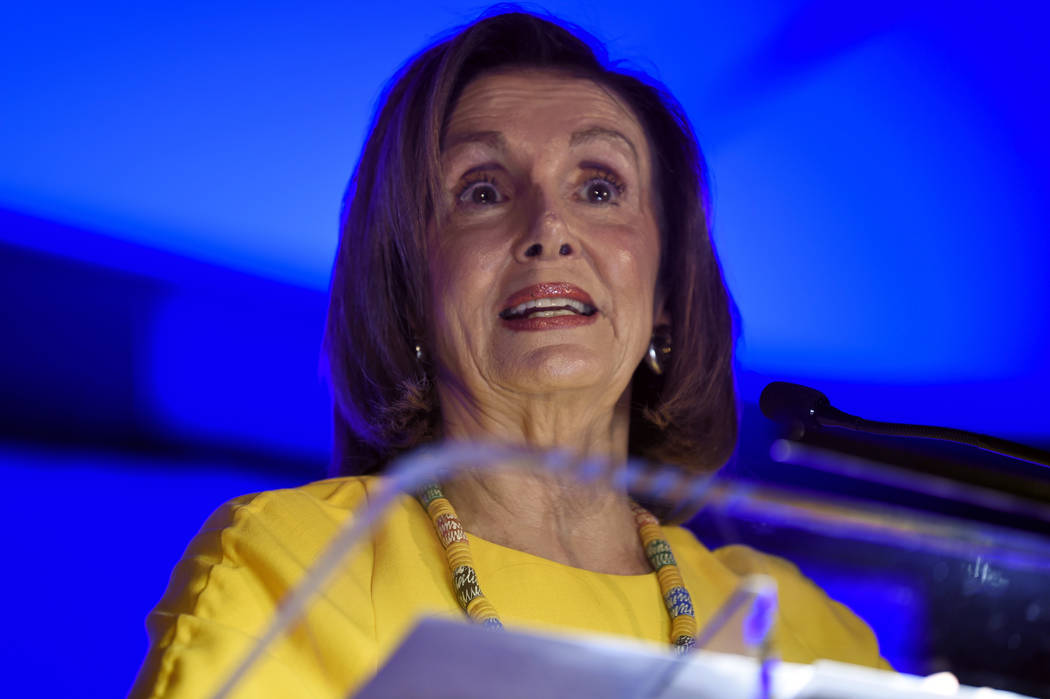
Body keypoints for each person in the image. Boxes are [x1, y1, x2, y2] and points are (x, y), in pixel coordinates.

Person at [130, 9, 888, 698]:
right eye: (483, 191)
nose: (549, 228)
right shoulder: (291, 566)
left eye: (599, 188)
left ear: (665, 293)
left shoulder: (795, 628)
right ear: (410, 289)